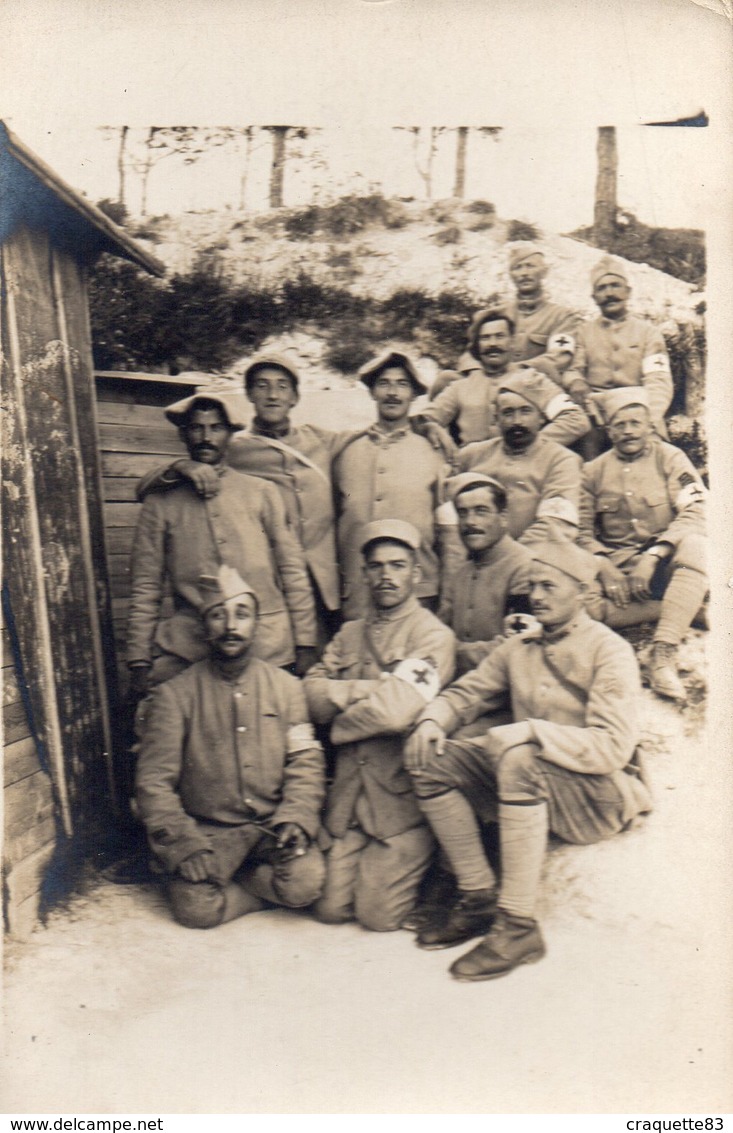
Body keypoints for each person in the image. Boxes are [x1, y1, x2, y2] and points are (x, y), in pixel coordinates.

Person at [404, 541, 652, 980]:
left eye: (548, 586)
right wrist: (432, 719)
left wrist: (533, 731)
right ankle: (478, 895)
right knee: (427, 757)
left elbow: (612, 747)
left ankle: (518, 926)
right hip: (534, 787)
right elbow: (468, 693)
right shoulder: (521, 646)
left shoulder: (609, 651)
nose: (535, 596)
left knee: (521, 759)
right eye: (531, 586)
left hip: (598, 797)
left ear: (580, 592)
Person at [135, 564, 326, 929]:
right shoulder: (175, 696)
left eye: (242, 614)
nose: (231, 626)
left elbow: (306, 763)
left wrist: (297, 818)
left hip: (272, 829)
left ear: (256, 623)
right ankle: (248, 882)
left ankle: (238, 882)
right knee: (195, 910)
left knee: (308, 885)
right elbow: (153, 783)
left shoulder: (286, 688)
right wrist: (184, 846)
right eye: (218, 615)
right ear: (204, 628)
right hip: (210, 832)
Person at [304, 520, 456, 932]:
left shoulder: (432, 636)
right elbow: (309, 696)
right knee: (329, 908)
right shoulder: (349, 634)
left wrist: (337, 724)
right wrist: (368, 688)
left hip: (399, 801)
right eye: (376, 566)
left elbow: (395, 713)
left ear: (416, 574)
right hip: (350, 799)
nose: (386, 576)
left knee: (377, 917)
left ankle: (427, 871)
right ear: (365, 573)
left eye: (398, 565)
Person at [126, 391, 317, 696]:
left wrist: (305, 642)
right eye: (197, 428)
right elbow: (145, 586)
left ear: (230, 435)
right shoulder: (161, 502)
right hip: (192, 644)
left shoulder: (261, 492)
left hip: (266, 644)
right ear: (183, 434)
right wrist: (138, 660)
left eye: (215, 428)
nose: (206, 437)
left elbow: (293, 570)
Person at [578, 387, 707, 701]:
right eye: (619, 425)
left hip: (664, 562)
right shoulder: (592, 472)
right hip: (620, 570)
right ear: (608, 431)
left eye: (636, 423)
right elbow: (579, 532)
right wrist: (602, 563)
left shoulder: (670, 457)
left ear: (650, 425)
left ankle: (662, 655)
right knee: (585, 604)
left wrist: (655, 553)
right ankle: (684, 607)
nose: (628, 431)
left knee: (697, 546)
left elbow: (697, 508)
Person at [333, 350, 462, 620]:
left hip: (418, 595)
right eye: (384, 383)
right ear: (371, 392)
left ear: (414, 394)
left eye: (402, 384)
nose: (393, 392)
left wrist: (449, 599)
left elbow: (450, 537)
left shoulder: (435, 452)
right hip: (358, 596)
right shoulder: (345, 450)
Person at [415, 309, 589, 448]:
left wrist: (535, 446)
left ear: (512, 342)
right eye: (485, 338)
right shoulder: (460, 386)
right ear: (477, 346)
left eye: (500, 336)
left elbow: (575, 419)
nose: (493, 344)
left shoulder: (531, 379)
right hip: (474, 473)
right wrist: (431, 429)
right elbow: (426, 420)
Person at [454, 368, 584, 544]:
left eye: (525, 411)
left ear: (541, 418)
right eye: (508, 413)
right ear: (496, 419)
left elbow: (556, 525)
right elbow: (450, 516)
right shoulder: (471, 455)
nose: (517, 421)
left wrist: (511, 559)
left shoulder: (561, 460)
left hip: (536, 560)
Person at [564, 255, 673, 458]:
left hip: (636, 410)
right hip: (596, 412)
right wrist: (576, 382)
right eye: (602, 288)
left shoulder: (648, 332)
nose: (610, 293)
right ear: (594, 297)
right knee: (585, 461)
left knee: (655, 458)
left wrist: (649, 418)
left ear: (628, 291)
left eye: (615, 285)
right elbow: (572, 370)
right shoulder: (583, 332)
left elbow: (659, 383)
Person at [438, 473, 533, 676]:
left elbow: (517, 645)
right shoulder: (460, 573)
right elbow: (439, 631)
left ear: (503, 518)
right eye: (462, 513)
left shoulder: (526, 567)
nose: (470, 522)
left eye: (481, 512)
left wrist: (450, 652)